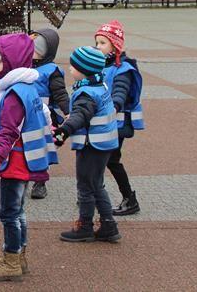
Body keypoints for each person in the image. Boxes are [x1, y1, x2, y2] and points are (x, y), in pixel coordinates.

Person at [0, 33, 56, 282]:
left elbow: (7, 133)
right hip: (26, 160)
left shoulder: (12, 96)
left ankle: (12, 259)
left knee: (9, 214)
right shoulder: (27, 87)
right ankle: (17, 254)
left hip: (15, 162)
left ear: (12, 62)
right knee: (19, 211)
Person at [52, 47, 121, 243]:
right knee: (96, 184)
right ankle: (108, 224)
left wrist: (64, 130)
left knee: (85, 185)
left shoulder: (86, 93)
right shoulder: (100, 85)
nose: (70, 68)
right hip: (104, 143)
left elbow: (80, 116)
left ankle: (85, 225)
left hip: (92, 145)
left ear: (84, 70)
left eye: (73, 65)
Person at [95, 20, 144, 216]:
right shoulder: (102, 65)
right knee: (102, 158)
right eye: (97, 42)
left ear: (115, 45)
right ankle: (94, 193)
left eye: (102, 43)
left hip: (117, 123)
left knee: (110, 159)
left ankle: (129, 198)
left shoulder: (122, 69)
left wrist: (113, 107)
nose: (98, 47)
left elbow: (120, 93)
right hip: (105, 123)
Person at [29, 28, 69, 200]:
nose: (33, 52)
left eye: (37, 49)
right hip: (26, 113)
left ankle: (40, 182)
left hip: (45, 117)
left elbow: (60, 93)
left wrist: (67, 112)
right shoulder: (25, 66)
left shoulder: (52, 71)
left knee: (42, 148)